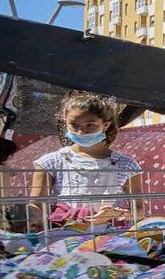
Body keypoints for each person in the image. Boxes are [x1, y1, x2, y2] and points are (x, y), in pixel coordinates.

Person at [30, 93, 143, 229]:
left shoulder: (127, 165)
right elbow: (36, 204)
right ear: (65, 123)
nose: (81, 131)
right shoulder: (50, 162)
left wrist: (116, 213)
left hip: (111, 237)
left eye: (90, 125)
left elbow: (139, 211)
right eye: (74, 124)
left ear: (105, 125)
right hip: (64, 236)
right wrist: (32, 219)